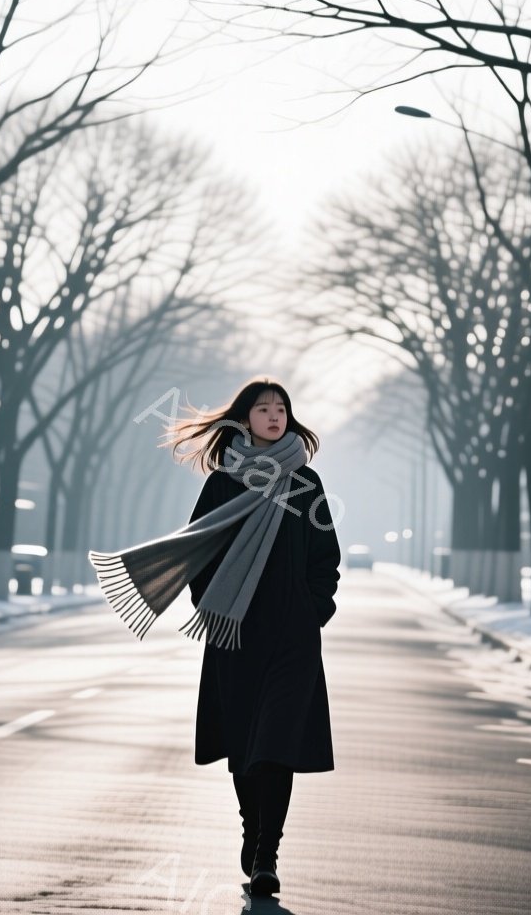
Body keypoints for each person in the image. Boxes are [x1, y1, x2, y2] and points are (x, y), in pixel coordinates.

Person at [89, 376, 341, 899]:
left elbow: (326, 557)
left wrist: (314, 608)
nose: (274, 417)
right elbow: (197, 549)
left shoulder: (306, 484)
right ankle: (251, 827)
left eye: (281, 410)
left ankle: (268, 852)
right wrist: (213, 602)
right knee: (245, 746)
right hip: (237, 633)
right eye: (263, 409)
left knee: (278, 744)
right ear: (244, 418)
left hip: (293, 636)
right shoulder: (224, 482)